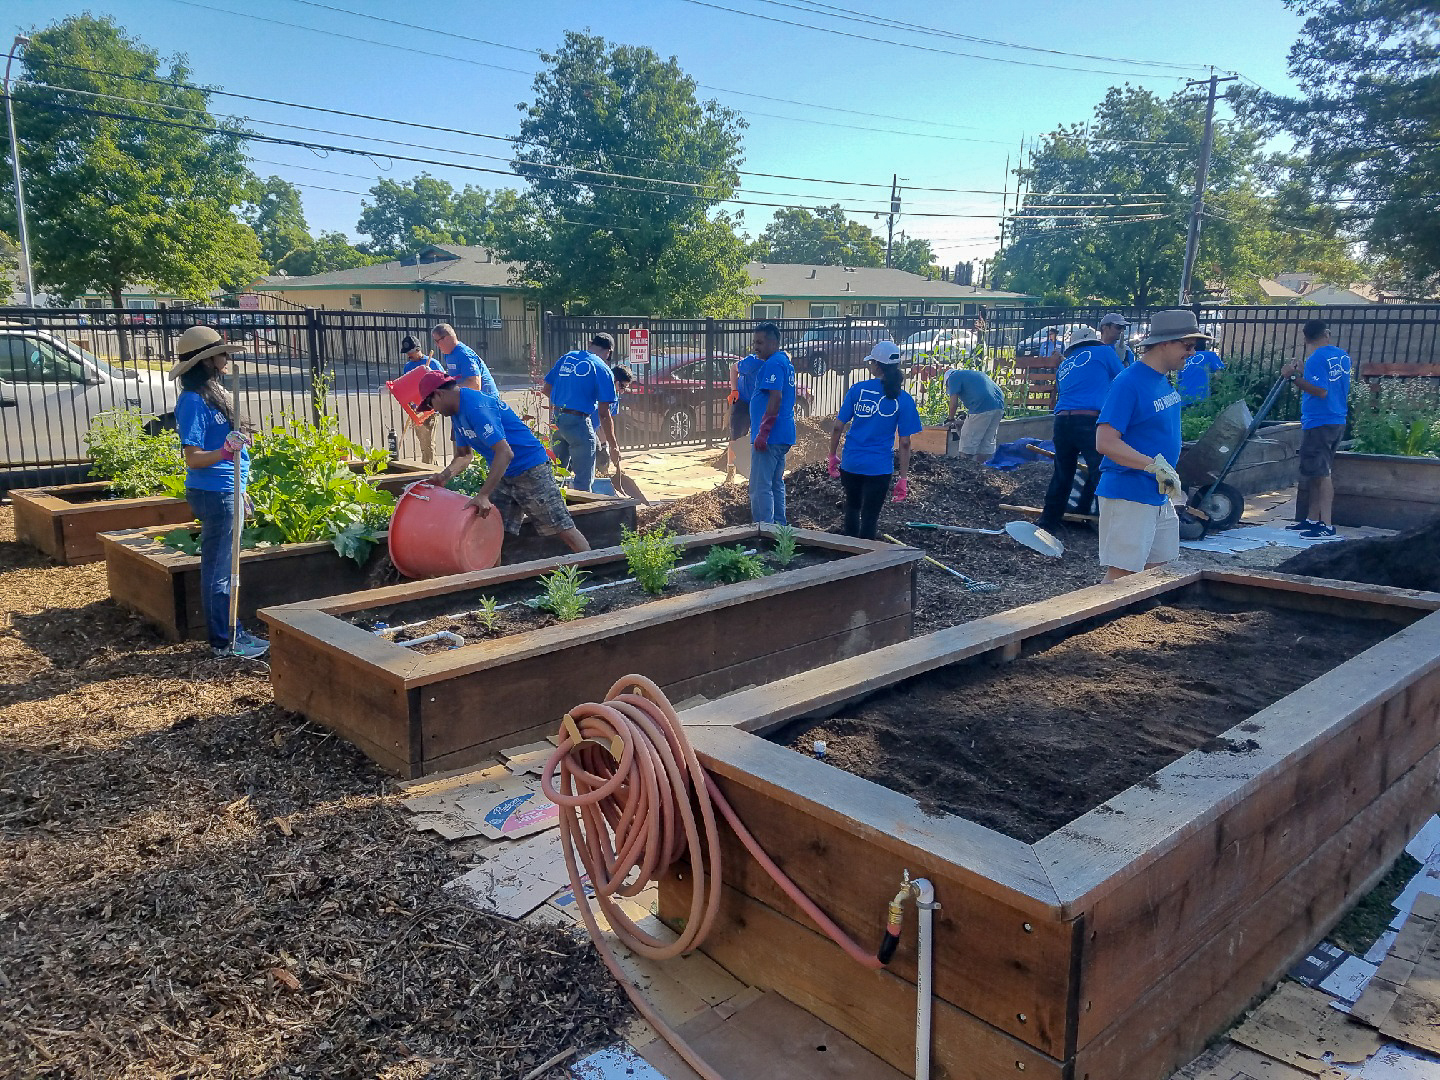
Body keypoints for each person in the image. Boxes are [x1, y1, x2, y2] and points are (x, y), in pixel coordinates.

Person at [169, 325, 268, 659]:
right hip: (214, 492)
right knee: (220, 569)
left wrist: (239, 447)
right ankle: (223, 639)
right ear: (207, 360)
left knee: (227, 567)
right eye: (221, 353)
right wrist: (226, 452)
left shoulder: (214, 395)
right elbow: (194, 458)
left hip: (228, 488)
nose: (226, 358)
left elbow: (226, 444)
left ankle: (233, 631)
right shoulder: (193, 401)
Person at [421, 372, 590, 554]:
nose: (434, 410)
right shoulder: (455, 413)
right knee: (492, 531)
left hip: (530, 468)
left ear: (438, 394)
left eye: (430, 405)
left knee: (562, 528)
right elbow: (464, 455)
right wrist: (444, 477)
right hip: (504, 473)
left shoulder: (475, 406)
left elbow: (505, 452)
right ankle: (494, 580)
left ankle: (594, 570)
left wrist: (483, 494)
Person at [1093, 309, 1201, 582]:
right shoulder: (1129, 382)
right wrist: (1152, 466)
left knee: (1157, 571)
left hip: (1156, 492)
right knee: (1122, 575)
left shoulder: (1161, 379)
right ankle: (1097, 622)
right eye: (1187, 345)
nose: (1191, 352)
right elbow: (1105, 442)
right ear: (1165, 343)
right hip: (1128, 490)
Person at [827, 342, 921, 539]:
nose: (870, 366)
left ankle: (848, 554)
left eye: (871, 362)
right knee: (870, 516)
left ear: (878, 366)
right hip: (879, 468)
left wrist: (832, 455)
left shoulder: (857, 390)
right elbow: (905, 442)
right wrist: (903, 478)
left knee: (852, 508)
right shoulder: (903, 399)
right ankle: (866, 560)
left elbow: (838, 426)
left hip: (852, 463)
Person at [1037, 326, 1122, 534]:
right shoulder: (1104, 352)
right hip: (1089, 419)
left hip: (1062, 421)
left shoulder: (1064, 367)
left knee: (1063, 473)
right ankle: (1108, 525)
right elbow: (1123, 379)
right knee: (1100, 470)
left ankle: (1047, 523)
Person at [1282, 319, 1352, 539]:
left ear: (1305, 338)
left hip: (1320, 420)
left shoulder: (1316, 358)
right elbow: (1328, 383)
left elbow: (1320, 391)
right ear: (1327, 333)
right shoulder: (1342, 356)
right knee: (1316, 471)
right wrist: (1303, 374)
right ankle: (1313, 519)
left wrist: (1292, 376)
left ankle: (1327, 524)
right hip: (1336, 418)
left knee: (1322, 473)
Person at [543, 333, 622, 493]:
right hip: (579, 423)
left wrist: (565, 402)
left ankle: (550, 511)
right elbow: (604, 414)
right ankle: (581, 512)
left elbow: (546, 389)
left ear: (590, 343)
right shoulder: (602, 368)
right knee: (582, 482)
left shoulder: (568, 357)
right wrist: (613, 447)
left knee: (556, 476)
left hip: (557, 420)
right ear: (608, 352)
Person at [746, 322, 797, 525]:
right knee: (776, 483)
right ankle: (779, 528)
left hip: (771, 437)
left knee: (760, 485)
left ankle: (763, 530)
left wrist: (763, 432)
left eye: (759, 342)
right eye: (754, 342)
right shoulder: (783, 361)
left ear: (773, 342)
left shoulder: (774, 364)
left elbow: (775, 397)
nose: (755, 347)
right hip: (782, 434)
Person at [943, 366, 1005, 461]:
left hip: (981, 407)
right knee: (986, 445)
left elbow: (953, 404)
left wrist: (950, 419)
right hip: (999, 406)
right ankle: (984, 470)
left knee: (968, 444)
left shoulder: (953, 377)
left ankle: (965, 470)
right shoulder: (973, 374)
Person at [401, 334, 444, 464]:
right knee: (423, 443)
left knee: (428, 443)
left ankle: (427, 472)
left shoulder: (433, 363)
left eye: (411, 352)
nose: (409, 355)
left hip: (430, 408)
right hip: (416, 410)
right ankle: (432, 468)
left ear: (417, 349)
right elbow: (406, 387)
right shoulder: (408, 367)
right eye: (407, 353)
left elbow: (444, 383)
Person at [431, 322, 500, 396]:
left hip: (487, 401)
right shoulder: (448, 354)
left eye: (437, 341)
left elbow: (475, 385)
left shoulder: (463, 354)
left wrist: (449, 390)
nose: (436, 345)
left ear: (447, 338)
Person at [725, 353, 760, 483]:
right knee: (736, 438)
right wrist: (734, 390)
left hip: (760, 403)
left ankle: (754, 472)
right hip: (743, 402)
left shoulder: (774, 363)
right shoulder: (753, 361)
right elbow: (733, 368)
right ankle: (730, 473)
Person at [594, 365, 632, 477]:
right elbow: (601, 417)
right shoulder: (599, 392)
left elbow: (608, 421)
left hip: (600, 438)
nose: (622, 391)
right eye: (621, 386)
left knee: (603, 462)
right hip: (587, 432)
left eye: (625, 388)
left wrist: (607, 445)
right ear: (613, 379)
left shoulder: (615, 397)